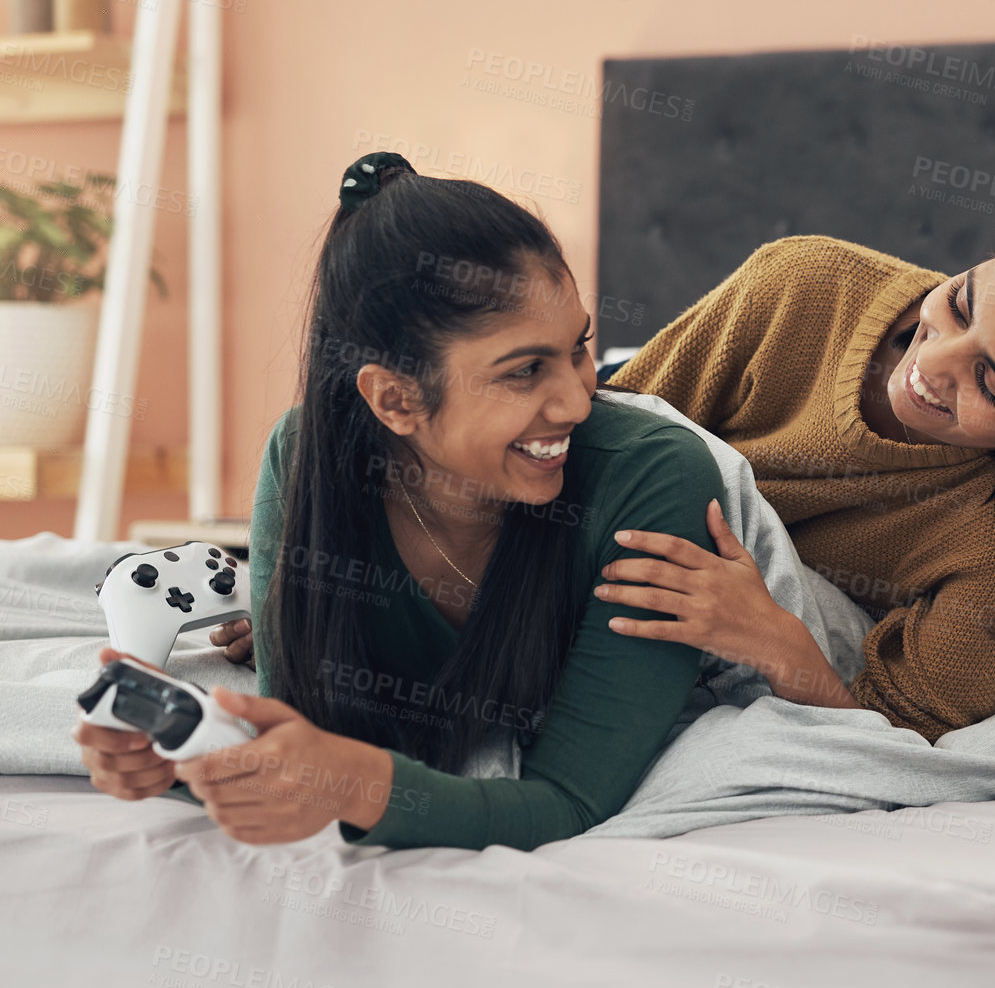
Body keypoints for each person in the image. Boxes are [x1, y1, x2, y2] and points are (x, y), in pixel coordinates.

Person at [72, 152, 735, 850]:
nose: (578, 397)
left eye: (580, 347)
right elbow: (297, 731)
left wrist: (356, 785)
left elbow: (567, 802)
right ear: (394, 399)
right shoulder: (304, 455)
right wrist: (180, 762)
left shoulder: (653, 478)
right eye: (525, 371)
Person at [599, 195, 995, 741]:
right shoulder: (803, 281)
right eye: (961, 306)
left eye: (992, 387)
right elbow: (614, 439)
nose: (932, 366)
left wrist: (774, 642)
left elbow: (899, 731)